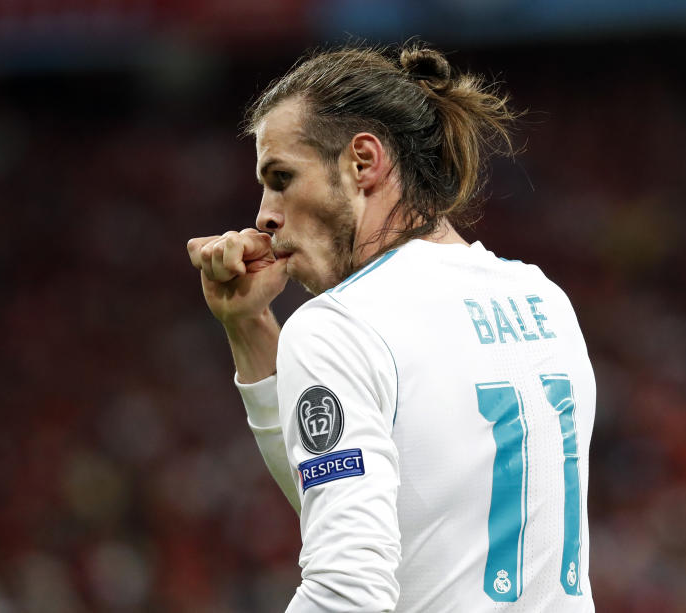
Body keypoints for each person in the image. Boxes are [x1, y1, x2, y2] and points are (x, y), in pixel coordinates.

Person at [187, 43, 596, 613]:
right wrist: (250, 325)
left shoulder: (340, 324)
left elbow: (347, 591)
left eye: (281, 177)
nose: (263, 215)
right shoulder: (545, 300)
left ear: (363, 162)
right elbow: (349, 509)